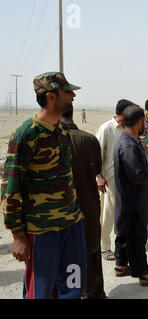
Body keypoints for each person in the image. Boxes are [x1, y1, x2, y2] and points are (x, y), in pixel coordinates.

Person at [0, 72, 86, 299]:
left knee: (73, 285)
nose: (73, 95)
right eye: (67, 91)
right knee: (41, 291)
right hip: (42, 230)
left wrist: (77, 214)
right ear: (51, 97)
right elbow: (10, 189)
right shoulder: (26, 134)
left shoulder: (63, 131)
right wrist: (18, 236)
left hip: (71, 224)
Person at [113, 105, 148, 287]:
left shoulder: (127, 139)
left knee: (125, 233)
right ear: (138, 122)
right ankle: (144, 274)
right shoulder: (129, 144)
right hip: (134, 201)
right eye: (143, 121)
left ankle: (121, 265)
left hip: (128, 199)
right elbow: (137, 175)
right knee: (137, 237)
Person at [61, 110, 107, 299]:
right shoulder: (89, 140)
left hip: (61, 216)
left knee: (65, 260)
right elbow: (97, 170)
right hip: (88, 208)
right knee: (90, 254)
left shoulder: (46, 140)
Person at [96, 99, 131, 261]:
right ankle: (104, 247)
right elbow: (96, 156)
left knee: (122, 214)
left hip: (125, 180)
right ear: (123, 113)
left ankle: (122, 244)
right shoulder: (106, 129)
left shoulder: (127, 129)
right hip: (109, 180)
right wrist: (99, 176)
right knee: (107, 214)